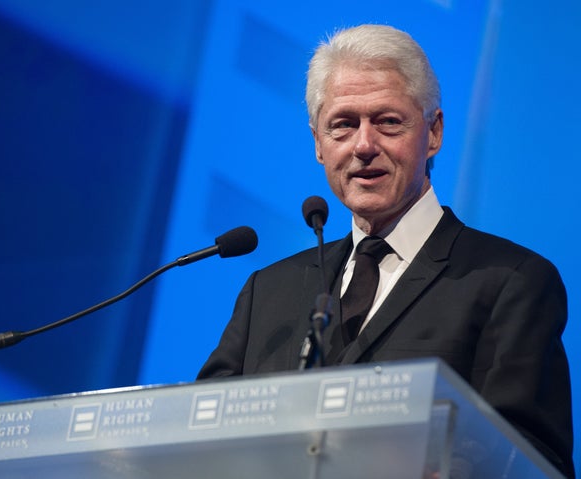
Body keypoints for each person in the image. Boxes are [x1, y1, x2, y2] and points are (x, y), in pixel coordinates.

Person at [197, 24, 574, 478]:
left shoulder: (510, 281)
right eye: (343, 124)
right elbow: (198, 438)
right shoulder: (268, 293)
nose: (363, 146)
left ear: (433, 133)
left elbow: (536, 460)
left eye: (388, 122)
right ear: (318, 143)